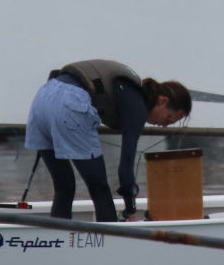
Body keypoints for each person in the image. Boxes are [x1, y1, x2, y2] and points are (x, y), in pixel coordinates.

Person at [24, 59, 192, 221]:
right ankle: (111, 243)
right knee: (99, 187)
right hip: (70, 102)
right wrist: (131, 212)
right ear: (163, 101)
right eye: (170, 118)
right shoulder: (137, 107)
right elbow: (125, 169)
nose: (165, 126)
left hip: (43, 97)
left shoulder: (130, 93)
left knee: (64, 186)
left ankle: (57, 241)